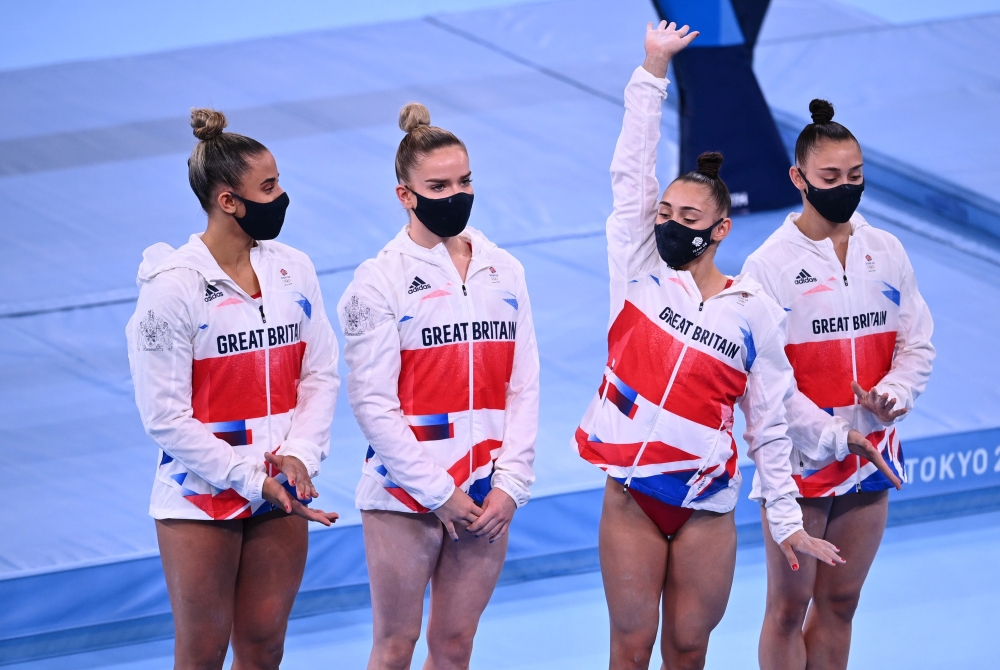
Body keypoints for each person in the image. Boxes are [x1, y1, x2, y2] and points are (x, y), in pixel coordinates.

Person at [573, 22, 847, 670]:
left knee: (689, 650)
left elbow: (771, 425)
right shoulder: (639, 271)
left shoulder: (753, 310)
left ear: (721, 230)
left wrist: (785, 521)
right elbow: (631, 173)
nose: (667, 224)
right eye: (665, 214)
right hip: (634, 495)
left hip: (707, 506)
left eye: (687, 220)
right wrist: (652, 70)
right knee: (632, 649)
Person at [126, 108, 340, 670]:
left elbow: (319, 373)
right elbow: (164, 417)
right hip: (200, 496)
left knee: (266, 645)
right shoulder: (173, 290)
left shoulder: (295, 269)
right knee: (202, 654)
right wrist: (251, 478)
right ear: (228, 201)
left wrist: (298, 454)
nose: (282, 197)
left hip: (282, 488)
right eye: (268, 188)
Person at [338, 102, 539, 670]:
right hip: (406, 496)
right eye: (439, 185)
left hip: (486, 493)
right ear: (405, 194)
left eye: (465, 180)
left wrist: (512, 483)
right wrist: (436, 492)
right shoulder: (379, 282)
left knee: (454, 647)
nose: (456, 194)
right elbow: (372, 403)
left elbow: (522, 386)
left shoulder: (504, 269)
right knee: (395, 646)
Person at [743, 100, 934, 670]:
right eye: (831, 177)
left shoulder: (887, 251)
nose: (845, 187)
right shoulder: (767, 266)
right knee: (787, 606)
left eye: (855, 176)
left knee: (842, 602)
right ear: (799, 178)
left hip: (871, 454)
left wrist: (893, 397)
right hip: (801, 461)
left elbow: (916, 344)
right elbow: (766, 387)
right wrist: (832, 435)